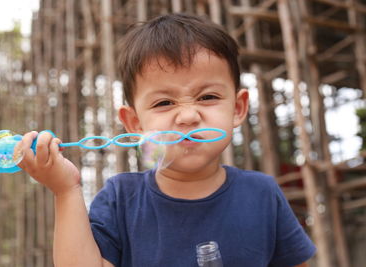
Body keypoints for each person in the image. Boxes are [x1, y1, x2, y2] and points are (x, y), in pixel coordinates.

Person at [17, 13, 316, 267]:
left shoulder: (262, 193)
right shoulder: (121, 198)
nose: (187, 117)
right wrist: (65, 191)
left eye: (208, 97)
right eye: (164, 103)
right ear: (134, 123)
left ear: (237, 109)